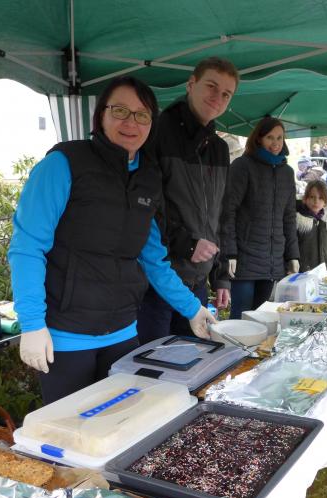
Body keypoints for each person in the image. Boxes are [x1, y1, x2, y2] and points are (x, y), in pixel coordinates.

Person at [9, 76, 216, 404]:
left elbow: (153, 260)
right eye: (120, 110)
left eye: (142, 115)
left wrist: (192, 309)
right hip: (66, 337)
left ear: (151, 123)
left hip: (122, 333)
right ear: (101, 115)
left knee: (122, 422)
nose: (131, 123)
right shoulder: (64, 164)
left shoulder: (148, 178)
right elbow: (28, 247)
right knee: (70, 428)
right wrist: (32, 323)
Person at [136, 57, 238, 344]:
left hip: (197, 282)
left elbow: (221, 215)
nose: (217, 98)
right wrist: (187, 244)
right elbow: (145, 206)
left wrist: (221, 275)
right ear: (191, 84)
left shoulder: (219, 148)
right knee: (153, 363)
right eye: (211, 86)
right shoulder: (155, 133)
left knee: (194, 361)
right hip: (156, 282)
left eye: (226, 94)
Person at [220, 117, 299, 318]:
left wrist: (293, 255)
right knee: (241, 319)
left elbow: (289, 217)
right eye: (270, 137)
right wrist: (230, 253)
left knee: (264, 318)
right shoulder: (242, 166)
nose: (276, 143)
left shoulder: (287, 172)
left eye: (279, 137)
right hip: (245, 259)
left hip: (274, 261)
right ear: (258, 139)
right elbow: (228, 211)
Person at [296, 180, 327, 273]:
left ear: (325, 201)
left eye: (320, 198)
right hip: (302, 274)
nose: (316, 201)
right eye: (312, 197)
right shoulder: (297, 220)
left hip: (323, 274)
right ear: (305, 198)